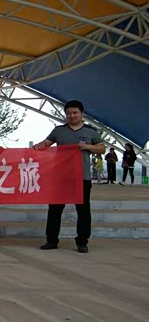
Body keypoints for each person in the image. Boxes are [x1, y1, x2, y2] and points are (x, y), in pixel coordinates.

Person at [33, 100, 105, 253]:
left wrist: (87, 147)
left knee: (83, 211)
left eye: (75, 113)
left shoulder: (91, 131)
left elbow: (102, 149)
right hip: (60, 177)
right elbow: (45, 144)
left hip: (82, 178)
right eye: (69, 113)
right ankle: (51, 240)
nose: (72, 116)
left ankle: (82, 242)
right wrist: (33, 149)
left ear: (82, 114)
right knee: (55, 209)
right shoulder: (58, 131)